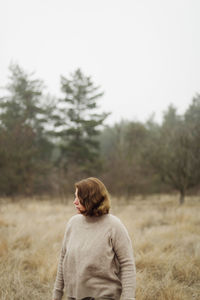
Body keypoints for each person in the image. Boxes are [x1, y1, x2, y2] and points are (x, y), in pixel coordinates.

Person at [52, 177, 136, 300]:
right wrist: (57, 294)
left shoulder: (114, 225)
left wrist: (128, 298)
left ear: (91, 199)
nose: (74, 202)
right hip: (73, 296)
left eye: (78, 197)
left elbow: (127, 264)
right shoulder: (73, 223)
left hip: (104, 297)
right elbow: (63, 259)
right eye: (74, 197)